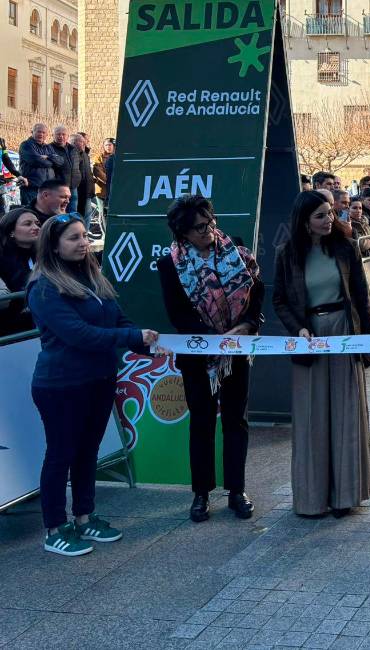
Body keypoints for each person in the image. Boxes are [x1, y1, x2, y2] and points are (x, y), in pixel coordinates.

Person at [26, 214, 162, 555]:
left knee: (88, 452)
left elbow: (119, 319)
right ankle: (54, 528)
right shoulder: (43, 287)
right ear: (54, 246)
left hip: (99, 380)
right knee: (61, 454)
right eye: (73, 238)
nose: (83, 243)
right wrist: (133, 337)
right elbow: (79, 334)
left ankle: (84, 517)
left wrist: (146, 343)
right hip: (61, 386)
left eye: (84, 236)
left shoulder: (92, 277)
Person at [157, 195, 264, 523]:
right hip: (199, 356)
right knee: (202, 421)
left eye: (210, 222)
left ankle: (237, 490)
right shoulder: (170, 264)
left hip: (236, 351)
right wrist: (212, 339)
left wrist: (247, 324)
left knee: (236, 420)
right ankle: (201, 493)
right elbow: (178, 314)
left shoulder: (237, 249)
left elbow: (256, 291)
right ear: (183, 233)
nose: (209, 230)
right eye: (200, 228)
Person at [272, 191, 370, 518]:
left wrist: (368, 343)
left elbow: (361, 296)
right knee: (312, 417)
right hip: (310, 339)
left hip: (344, 332)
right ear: (304, 221)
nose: (329, 219)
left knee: (346, 413)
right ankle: (312, 499)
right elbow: (279, 301)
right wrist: (299, 329)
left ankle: (346, 496)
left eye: (330, 213)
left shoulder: (346, 247)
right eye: (320, 215)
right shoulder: (287, 254)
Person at [18, 124, 63, 206]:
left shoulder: (48, 147)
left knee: (46, 213)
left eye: (43, 132)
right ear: (32, 132)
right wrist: (52, 162)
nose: (41, 134)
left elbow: (60, 161)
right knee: (31, 212)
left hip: (47, 189)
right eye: (39, 132)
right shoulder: (26, 145)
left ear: (47, 134)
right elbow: (36, 161)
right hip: (31, 188)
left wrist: (48, 157)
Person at [0, 209, 41, 291]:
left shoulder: (45, 253)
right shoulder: (3, 259)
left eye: (37, 224)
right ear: (11, 232)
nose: (36, 228)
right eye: (27, 224)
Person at [50, 126, 81, 214]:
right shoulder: (49, 148)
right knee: (59, 211)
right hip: (59, 186)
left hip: (73, 186)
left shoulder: (73, 149)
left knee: (73, 212)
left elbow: (77, 165)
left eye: (63, 134)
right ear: (53, 135)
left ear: (68, 136)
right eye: (58, 134)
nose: (61, 136)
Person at [72, 133, 95, 222]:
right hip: (79, 189)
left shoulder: (85, 154)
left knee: (87, 214)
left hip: (87, 189)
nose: (86, 142)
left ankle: (84, 230)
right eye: (83, 141)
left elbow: (87, 172)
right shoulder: (74, 154)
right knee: (81, 214)